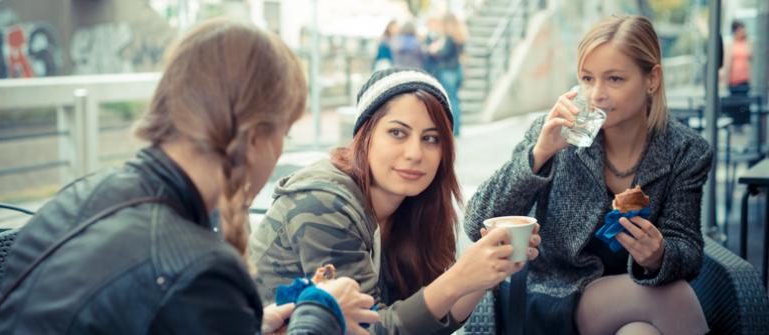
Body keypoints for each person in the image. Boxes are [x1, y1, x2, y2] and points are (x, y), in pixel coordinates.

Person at [0, 19, 379, 335]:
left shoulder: (77, 197)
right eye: (284, 132)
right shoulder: (198, 270)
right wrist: (322, 312)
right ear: (256, 136)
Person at [463, 15, 711, 335]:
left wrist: (660, 255)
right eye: (587, 78)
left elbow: (688, 251)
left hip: (632, 307)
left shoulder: (686, 151)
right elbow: (477, 221)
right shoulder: (555, 135)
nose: (596, 95)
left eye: (615, 79)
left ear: (652, 79)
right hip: (552, 297)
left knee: (640, 332)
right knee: (676, 297)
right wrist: (539, 155)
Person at [249, 67, 541, 334]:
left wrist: (484, 274)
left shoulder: (412, 206)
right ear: (365, 136)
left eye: (431, 138)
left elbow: (424, 320)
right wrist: (460, 277)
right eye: (397, 133)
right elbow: (367, 329)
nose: (415, 153)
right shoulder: (325, 203)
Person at [427, 12, 465, 136]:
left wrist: (435, 50)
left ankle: (453, 129)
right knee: (455, 99)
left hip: (448, 71)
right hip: (457, 70)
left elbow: (444, 53)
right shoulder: (460, 35)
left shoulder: (449, 37)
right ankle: (457, 128)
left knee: (450, 100)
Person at [722, 20, 752, 96]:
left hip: (745, 80)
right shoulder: (730, 44)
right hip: (733, 81)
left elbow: (751, 57)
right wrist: (726, 80)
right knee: (734, 103)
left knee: (745, 103)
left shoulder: (747, 43)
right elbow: (727, 63)